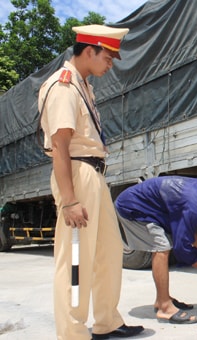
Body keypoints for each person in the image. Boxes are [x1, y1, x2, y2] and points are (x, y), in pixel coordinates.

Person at [38, 25, 144, 339]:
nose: (111, 63)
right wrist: (69, 200)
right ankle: (72, 333)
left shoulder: (83, 86)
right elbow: (59, 144)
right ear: (89, 51)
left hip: (94, 174)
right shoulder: (63, 86)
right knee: (75, 260)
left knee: (108, 253)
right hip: (77, 173)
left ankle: (106, 322)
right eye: (108, 56)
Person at [114, 175, 197, 324]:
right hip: (133, 208)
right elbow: (182, 249)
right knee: (161, 247)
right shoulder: (194, 204)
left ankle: (162, 299)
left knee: (164, 245)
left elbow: (183, 226)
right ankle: (164, 307)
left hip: (149, 208)